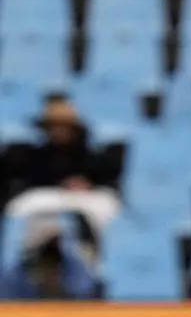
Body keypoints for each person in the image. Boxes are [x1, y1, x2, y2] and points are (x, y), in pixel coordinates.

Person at [2, 97, 123, 240]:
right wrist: (59, 184)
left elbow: (109, 184)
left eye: (63, 126)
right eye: (54, 126)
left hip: (85, 201)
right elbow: (25, 183)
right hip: (45, 202)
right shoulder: (34, 155)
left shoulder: (92, 156)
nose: (58, 131)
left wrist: (86, 185)